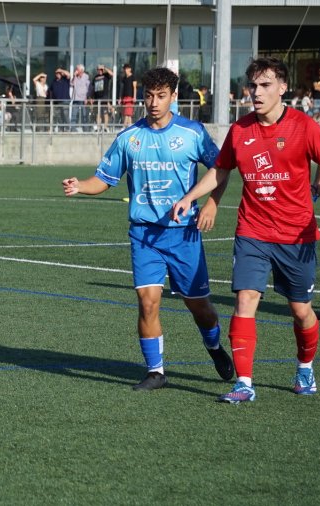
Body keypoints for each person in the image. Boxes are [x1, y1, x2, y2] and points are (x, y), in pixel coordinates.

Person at [61, 67, 234, 391]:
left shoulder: (192, 133)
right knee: (147, 301)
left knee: (200, 307)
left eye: (161, 96)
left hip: (182, 234)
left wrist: (212, 204)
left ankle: (213, 347)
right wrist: (80, 186)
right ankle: (156, 371)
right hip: (144, 234)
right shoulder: (129, 138)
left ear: (173, 97)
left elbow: (220, 168)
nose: (154, 102)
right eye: (149, 96)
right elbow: (105, 179)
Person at [172, 57, 320, 404]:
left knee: (301, 309)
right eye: (252, 86)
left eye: (265, 86)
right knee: (245, 300)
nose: (256, 93)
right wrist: (192, 197)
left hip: (296, 237)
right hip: (253, 232)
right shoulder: (241, 130)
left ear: (283, 88)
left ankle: (305, 367)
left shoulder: (305, 127)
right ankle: (244, 383)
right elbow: (220, 170)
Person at [90, 65, 114, 132]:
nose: (100, 71)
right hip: (97, 98)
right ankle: (98, 127)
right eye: (99, 69)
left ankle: (105, 127)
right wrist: (91, 98)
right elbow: (93, 88)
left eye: (101, 69)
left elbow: (112, 74)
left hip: (104, 98)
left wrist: (105, 68)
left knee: (105, 113)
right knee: (98, 113)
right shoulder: (95, 77)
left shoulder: (106, 75)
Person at [70, 63, 90, 131]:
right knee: (74, 114)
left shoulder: (86, 76)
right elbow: (71, 84)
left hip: (83, 99)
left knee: (84, 115)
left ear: (81, 70)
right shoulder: (75, 77)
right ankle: (73, 128)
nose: (76, 70)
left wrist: (87, 97)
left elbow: (88, 88)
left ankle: (85, 128)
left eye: (77, 69)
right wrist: (74, 76)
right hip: (76, 98)